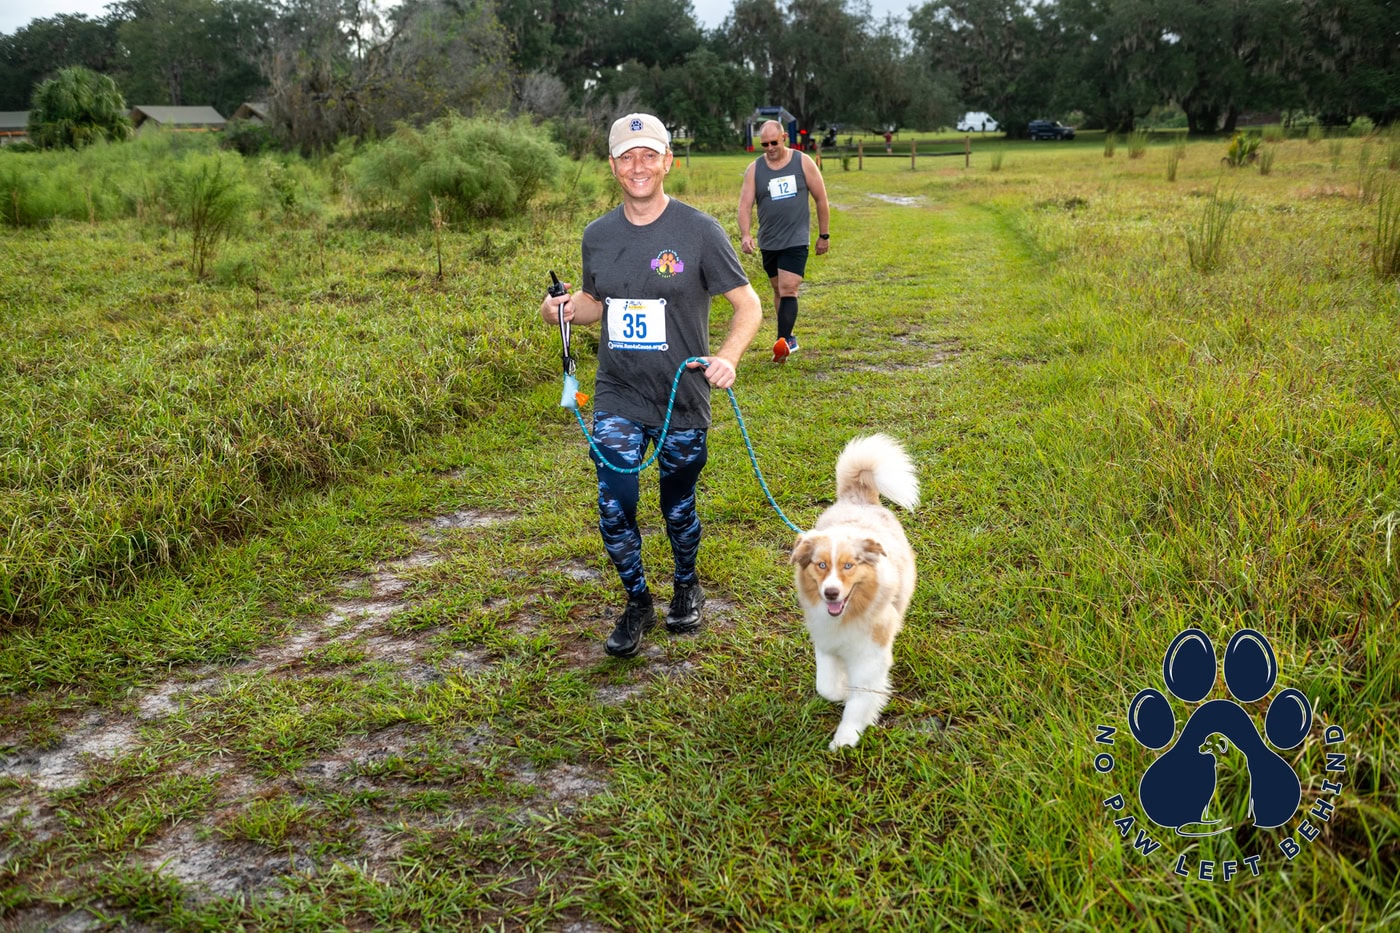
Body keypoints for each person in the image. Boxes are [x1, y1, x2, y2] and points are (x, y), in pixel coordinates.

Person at [541, 113, 763, 659]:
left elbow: (749, 304)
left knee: (677, 505)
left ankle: (686, 581)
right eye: (625, 156)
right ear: (612, 165)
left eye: (648, 155)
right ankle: (637, 600)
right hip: (617, 392)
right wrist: (564, 310)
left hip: (681, 396)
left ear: (668, 161)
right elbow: (597, 302)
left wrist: (728, 357)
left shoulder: (700, 232)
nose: (637, 166)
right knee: (614, 504)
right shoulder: (598, 235)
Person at [737, 119, 831, 362]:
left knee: (789, 288)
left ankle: (782, 342)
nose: (769, 148)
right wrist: (746, 234)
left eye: (774, 142)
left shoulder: (803, 162)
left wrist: (824, 234)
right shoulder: (755, 169)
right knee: (778, 290)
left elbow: (821, 199)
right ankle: (787, 338)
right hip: (769, 240)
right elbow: (745, 205)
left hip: (796, 239)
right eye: (764, 144)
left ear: (784, 139)